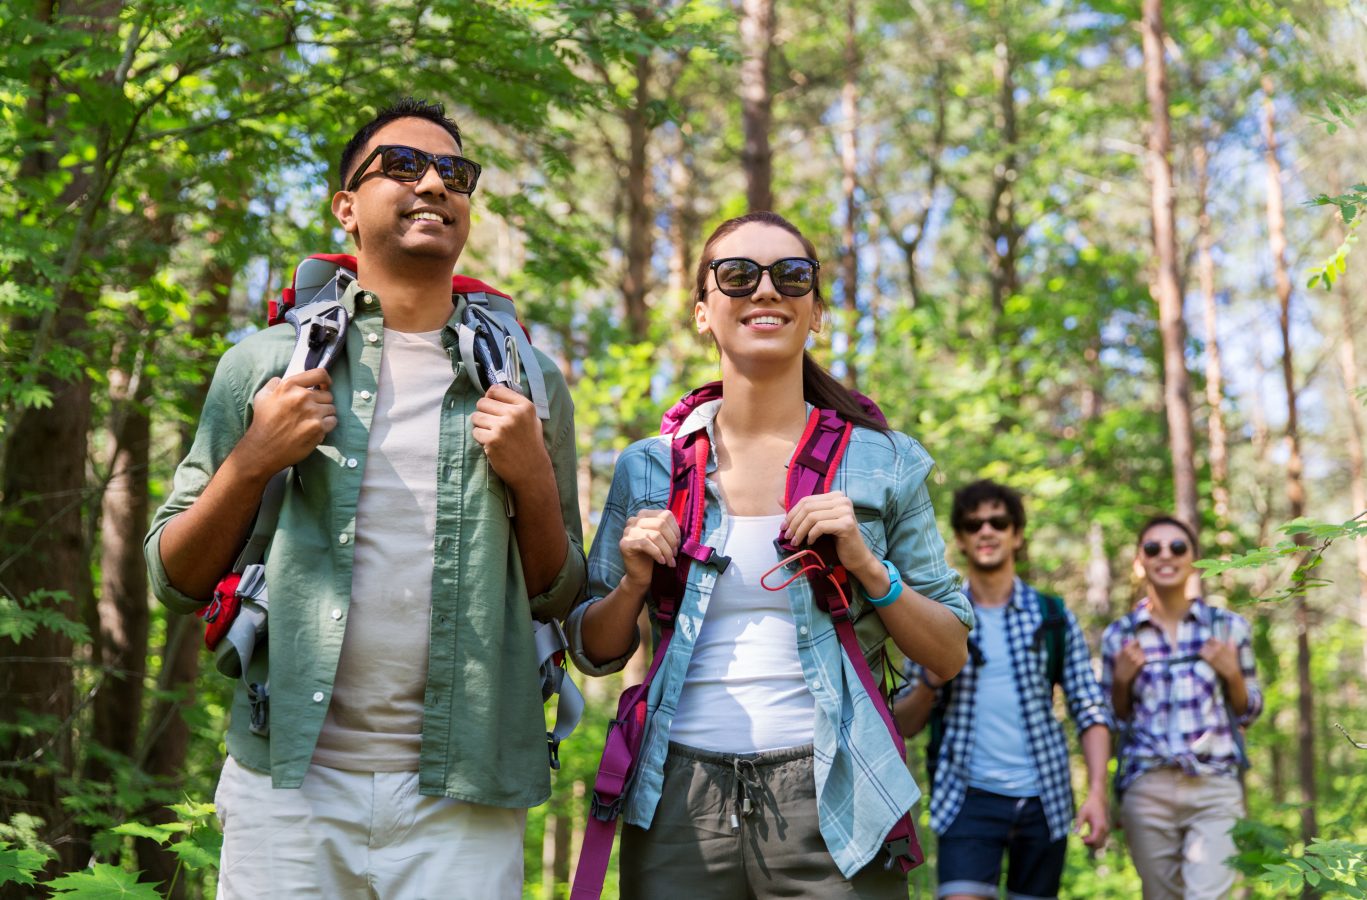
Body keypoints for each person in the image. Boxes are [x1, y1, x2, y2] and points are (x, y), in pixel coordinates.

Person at [143, 98, 586, 899]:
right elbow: (172, 579)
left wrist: (530, 476)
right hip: (288, 786)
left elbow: (560, 590)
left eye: (454, 173)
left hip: (466, 792)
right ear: (347, 207)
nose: (433, 185)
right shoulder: (267, 365)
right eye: (403, 166)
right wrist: (252, 461)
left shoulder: (528, 378)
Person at [566, 211, 973, 898]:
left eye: (791, 275)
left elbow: (949, 651)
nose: (765, 291)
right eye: (736, 275)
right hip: (675, 797)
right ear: (702, 311)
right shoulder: (649, 467)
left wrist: (870, 570)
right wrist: (633, 583)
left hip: (837, 789)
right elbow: (593, 650)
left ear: (814, 312)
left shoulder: (883, 460)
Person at [893, 480, 1112, 900]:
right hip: (965, 797)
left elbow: (1089, 708)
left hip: (1044, 797)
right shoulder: (936, 617)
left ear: (1017, 533)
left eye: (998, 521)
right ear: (960, 538)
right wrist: (930, 683)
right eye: (974, 524)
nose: (986, 531)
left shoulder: (1052, 615)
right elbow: (903, 723)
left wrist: (1098, 794)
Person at [1101, 516, 1262, 900]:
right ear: (1140, 562)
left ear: (1194, 559)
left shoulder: (1227, 629)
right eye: (1153, 548)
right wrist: (1121, 681)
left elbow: (1250, 710)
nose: (1165, 556)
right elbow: (1112, 721)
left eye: (1177, 547)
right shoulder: (1119, 636)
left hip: (1215, 784)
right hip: (1147, 788)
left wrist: (1233, 675)